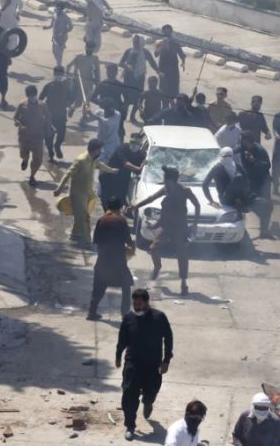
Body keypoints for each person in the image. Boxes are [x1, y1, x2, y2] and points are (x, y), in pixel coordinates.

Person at [129, 167, 199, 296]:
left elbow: (197, 205)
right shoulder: (165, 190)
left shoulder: (185, 191)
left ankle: (184, 283)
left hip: (180, 227)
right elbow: (150, 198)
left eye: (165, 178)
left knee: (181, 253)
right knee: (153, 248)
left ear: (171, 180)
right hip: (166, 226)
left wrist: (195, 224)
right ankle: (157, 267)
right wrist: (135, 206)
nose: (164, 180)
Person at [116, 289, 174, 441]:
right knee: (129, 395)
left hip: (152, 364)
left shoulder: (159, 317)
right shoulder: (128, 318)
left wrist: (166, 360)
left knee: (152, 390)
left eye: (139, 303)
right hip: (132, 363)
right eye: (134, 303)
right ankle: (130, 425)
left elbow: (168, 338)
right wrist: (118, 355)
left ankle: (148, 402)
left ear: (147, 302)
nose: (136, 306)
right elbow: (122, 339)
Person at [54, 139, 119, 244]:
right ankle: (87, 241)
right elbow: (68, 174)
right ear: (95, 150)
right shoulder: (81, 160)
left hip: (87, 193)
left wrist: (112, 171)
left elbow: (101, 166)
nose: (101, 152)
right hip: (77, 194)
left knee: (80, 216)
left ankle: (74, 235)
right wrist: (59, 188)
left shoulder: (93, 159)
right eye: (99, 150)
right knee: (84, 218)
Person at [202, 147, 273, 239]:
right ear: (221, 156)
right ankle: (240, 204)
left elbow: (246, 181)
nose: (227, 158)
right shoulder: (217, 168)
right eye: (225, 156)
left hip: (242, 196)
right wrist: (211, 201)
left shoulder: (237, 166)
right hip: (227, 198)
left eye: (229, 156)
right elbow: (205, 184)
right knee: (238, 178)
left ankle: (264, 232)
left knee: (267, 205)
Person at [88, 196, 135, 320]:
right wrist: (132, 247)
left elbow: (96, 241)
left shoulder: (101, 220)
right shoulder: (121, 221)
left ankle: (91, 312)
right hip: (118, 261)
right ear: (119, 208)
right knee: (126, 285)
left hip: (103, 260)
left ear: (107, 207)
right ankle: (125, 313)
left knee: (98, 287)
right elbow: (129, 241)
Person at [14, 85, 52, 186]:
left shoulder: (42, 105)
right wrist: (18, 123)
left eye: (34, 95)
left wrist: (48, 129)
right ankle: (25, 159)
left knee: (38, 159)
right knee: (23, 153)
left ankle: (32, 176)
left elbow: (48, 117)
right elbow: (16, 117)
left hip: (38, 136)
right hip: (25, 135)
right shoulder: (22, 105)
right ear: (27, 96)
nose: (33, 98)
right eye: (30, 96)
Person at [119, 35, 159, 124]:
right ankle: (123, 115)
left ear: (141, 42)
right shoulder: (128, 51)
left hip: (140, 78)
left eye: (137, 41)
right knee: (127, 98)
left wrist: (158, 71)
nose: (135, 43)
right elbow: (121, 63)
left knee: (138, 98)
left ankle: (132, 116)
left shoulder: (145, 52)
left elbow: (152, 62)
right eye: (134, 41)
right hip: (129, 77)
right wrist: (127, 66)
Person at [40, 67, 76, 162]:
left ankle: (57, 146)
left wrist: (70, 107)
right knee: (49, 136)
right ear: (54, 74)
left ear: (63, 75)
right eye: (57, 74)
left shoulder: (67, 87)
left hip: (61, 115)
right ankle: (51, 152)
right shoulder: (48, 86)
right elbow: (41, 99)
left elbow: (71, 99)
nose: (58, 76)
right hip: (49, 116)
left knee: (61, 134)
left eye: (60, 74)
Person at [100, 135, 144, 208]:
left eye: (137, 143)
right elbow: (126, 164)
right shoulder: (122, 148)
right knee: (108, 202)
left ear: (140, 145)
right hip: (109, 178)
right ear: (129, 142)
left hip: (122, 180)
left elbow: (144, 162)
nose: (134, 145)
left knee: (120, 199)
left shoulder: (140, 154)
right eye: (133, 142)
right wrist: (138, 168)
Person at [67, 42, 101, 124]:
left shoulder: (95, 58)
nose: (89, 50)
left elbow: (97, 70)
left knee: (87, 101)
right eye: (88, 48)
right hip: (78, 83)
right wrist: (68, 77)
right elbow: (69, 66)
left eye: (91, 49)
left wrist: (97, 81)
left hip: (89, 83)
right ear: (85, 47)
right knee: (78, 102)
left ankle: (84, 117)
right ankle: (72, 108)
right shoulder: (79, 56)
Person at [92, 64, 127, 140]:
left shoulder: (121, 85)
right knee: (104, 132)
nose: (111, 72)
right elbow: (93, 98)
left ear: (116, 72)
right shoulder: (101, 84)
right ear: (107, 72)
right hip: (105, 113)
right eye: (109, 71)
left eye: (113, 71)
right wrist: (103, 103)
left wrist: (124, 109)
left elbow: (127, 99)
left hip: (117, 112)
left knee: (119, 132)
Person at [154, 24, 185, 106]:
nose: (167, 35)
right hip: (163, 71)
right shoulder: (159, 43)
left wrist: (183, 63)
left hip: (173, 71)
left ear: (171, 33)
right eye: (165, 33)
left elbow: (182, 54)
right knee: (164, 93)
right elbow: (156, 54)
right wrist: (162, 45)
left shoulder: (175, 43)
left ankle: (173, 109)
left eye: (169, 33)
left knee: (173, 92)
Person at [84, 97, 123, 162]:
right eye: (109, 110)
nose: (112, 111)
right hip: (101, 144)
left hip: (112, 144)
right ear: (104, 109)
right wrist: (85, 112)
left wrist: (94, 115)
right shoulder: (99, 112)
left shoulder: (117, 114)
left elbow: (108, 123)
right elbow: (86, 120)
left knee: (105, 165)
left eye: (112, 109)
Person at [45, 0, 74, 68]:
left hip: (62, 37)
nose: (56, 8)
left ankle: (59, 65)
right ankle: (59, 63)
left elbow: (71, 26)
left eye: (57, 7)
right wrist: (47, 27)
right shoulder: (54, 14)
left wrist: (64, 32)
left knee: (59, 52)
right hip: (54, 36)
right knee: (54, 51)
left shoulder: (65, 16)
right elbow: (52, 24)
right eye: (56, 6)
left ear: (61, 8)